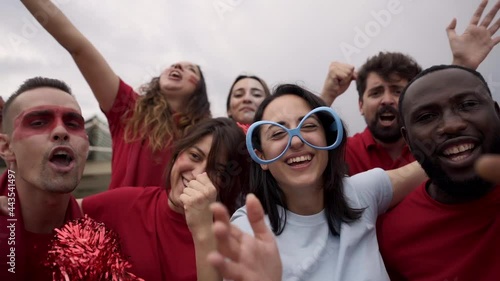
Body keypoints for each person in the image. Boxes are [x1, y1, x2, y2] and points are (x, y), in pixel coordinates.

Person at [231, 84, 426, 280]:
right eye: (277, 133)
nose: (296, 141)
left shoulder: (362, 192)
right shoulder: (247, 228)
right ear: (261, 156)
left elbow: (431, 165)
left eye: (308, 126)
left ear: (327, 139)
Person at [21, 0, 211, 189]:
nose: (178, 66)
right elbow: (79, 48)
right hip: (116, 219)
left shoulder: (205, 136)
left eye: (191, 70)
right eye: (175, 64)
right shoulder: (128, 109)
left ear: (199, 92)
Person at [320, 0, 500, 176]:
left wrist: (462, 66)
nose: (387, 100)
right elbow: (301, 147)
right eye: (376, 93)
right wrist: (327, 95)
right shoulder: (342, 153)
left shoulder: (441, 140)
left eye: (398, 91)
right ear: (360, 105)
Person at [80, 117, 250, 281]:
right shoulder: (127, 201)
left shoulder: (232, 236)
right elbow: (63, 211)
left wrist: (203, 229)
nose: (198, 175)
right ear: (177, 154)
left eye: (217, 171)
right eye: (195, 156)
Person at [376, 65, 500, 280]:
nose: (451, 125)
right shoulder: (392, 235)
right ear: (408, 140)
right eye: (426, 117)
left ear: (497, 113)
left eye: (468, 104)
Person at [0, 77, 87, 281]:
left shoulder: (110, 225)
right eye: (38, 122)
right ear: (6, 147)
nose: (61, 131)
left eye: (73, 124)